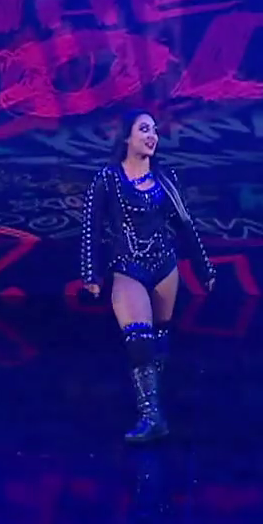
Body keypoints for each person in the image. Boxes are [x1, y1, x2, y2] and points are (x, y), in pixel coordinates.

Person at [80, 110, 216, 443]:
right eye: (144, 129)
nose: (152, 135)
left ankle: (156, 409)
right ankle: (151, 416)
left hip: (165, 267)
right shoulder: (108, 179)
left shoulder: (166, 178)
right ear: (127, 137)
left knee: (159, 340)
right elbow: (91, 228)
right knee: (139, 341)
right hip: (128, 267)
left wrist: (203, 269)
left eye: (154, 130)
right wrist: (91, 272)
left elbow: (185, 226)